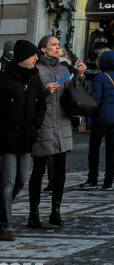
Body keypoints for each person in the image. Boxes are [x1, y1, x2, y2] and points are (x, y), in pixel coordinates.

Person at [29, 36, 85, 229]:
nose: (57, 47)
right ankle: (33, 213)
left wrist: (78, 75)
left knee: (60, 173)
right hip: (44, 124)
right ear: (43, 49)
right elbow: (30, 95)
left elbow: (73, 93)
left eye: (58, 45)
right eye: (53, 45)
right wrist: (44, 92)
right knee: (38, 171)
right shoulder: (36, 69)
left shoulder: (64, 68)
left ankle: (56, 211)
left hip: (62, 123)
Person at [0, 41, 45, 241]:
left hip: (27, 138)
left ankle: (2, 212)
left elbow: (41, 104)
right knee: (7, 182)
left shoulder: (35, 78)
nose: (36, 58)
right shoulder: (4, 79)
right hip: (7, 139)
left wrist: (36, 126)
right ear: (22, 57)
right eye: (32, 55)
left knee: (21, 180)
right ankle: (5, 225)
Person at [80, 49, 114, 190]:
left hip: (101, 118)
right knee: (111, 149)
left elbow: (96, 99)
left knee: (95, 147)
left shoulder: (100, 78)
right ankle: (109, 180)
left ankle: (93, 178)